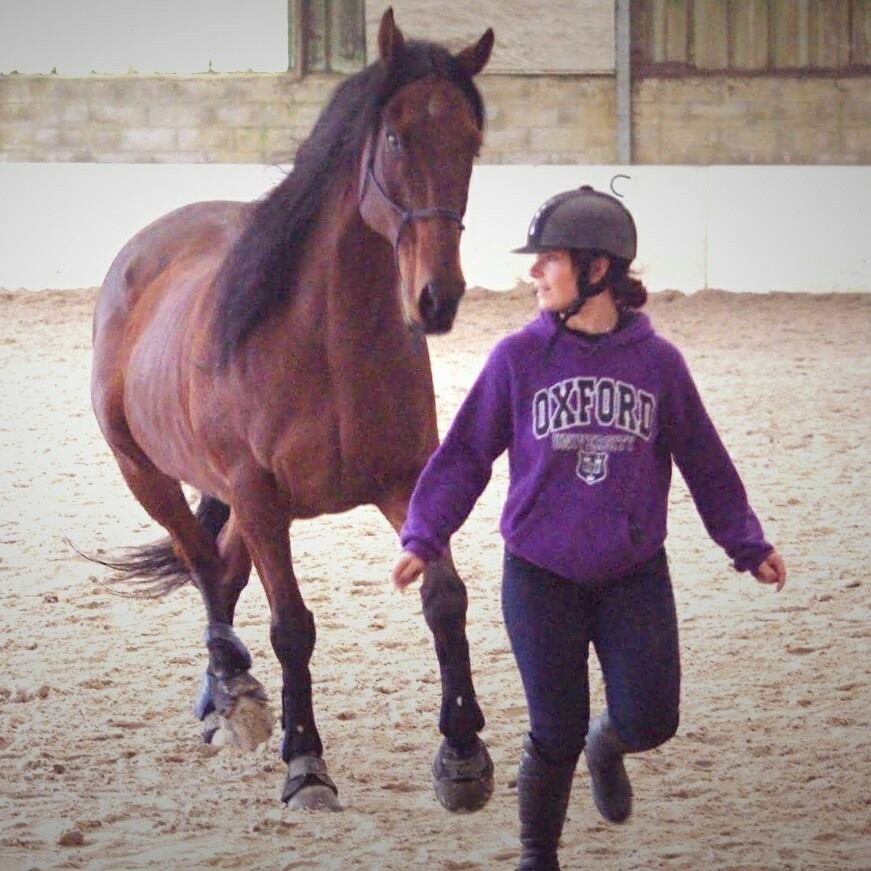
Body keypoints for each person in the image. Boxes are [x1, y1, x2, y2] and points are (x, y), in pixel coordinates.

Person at [391, 184, 787, 870]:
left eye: (548, 259)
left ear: (596, 270)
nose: (533, 273)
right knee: (554, 729)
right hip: (539, 575)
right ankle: (537, 853)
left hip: (633, 574)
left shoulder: (658, 365)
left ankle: (612, 743)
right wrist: (423, 534)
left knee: (652, 718)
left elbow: (703, 459)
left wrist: (744, 542)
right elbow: (463, 455)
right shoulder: (516, 358)